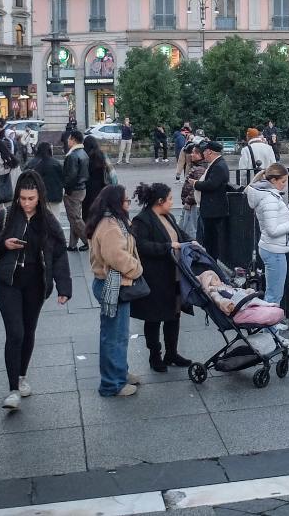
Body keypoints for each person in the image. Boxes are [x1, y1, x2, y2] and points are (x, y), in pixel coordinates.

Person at [0, 171, 72, 410]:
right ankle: (12, 389)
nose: (27, 203)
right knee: (16, 333)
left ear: (40, 197)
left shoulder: (48, 220)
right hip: (9, 282)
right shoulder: (5, 216)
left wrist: (64, 287)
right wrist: (3, 244)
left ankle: (21, 376)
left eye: (31, 198)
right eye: (22, 198)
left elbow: (60, 253)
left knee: (29, 331)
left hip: (36, 282)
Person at [131, 182, 194, 373]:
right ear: (160, 201)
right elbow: (141, 246)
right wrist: (167, 246)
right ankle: (155, 355)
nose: (171, 202)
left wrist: (192, 243)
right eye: (170, 199)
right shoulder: (142, 220)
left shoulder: (168, 216)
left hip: (173, 274)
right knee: (154, 318)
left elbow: (179, 235)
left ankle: (172, 352)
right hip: (155, 277)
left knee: (174, 314)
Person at [87, 184, 143, 398]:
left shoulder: (112, 221)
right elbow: (115, 256)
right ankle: (112, 383)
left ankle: (120, 372)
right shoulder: (110, 225)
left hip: (114, 283)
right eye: (126, 200)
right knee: (114, 336)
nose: (128, 203)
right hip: (112, 284)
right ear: (116, 203)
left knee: (118, 334)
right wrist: (136, 268)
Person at [245, 164, 289, 313]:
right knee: (274, 293)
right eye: (283, 181)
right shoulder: (270, 198)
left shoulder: (266, 195)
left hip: (271, 247)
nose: (284, 185)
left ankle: (272, 325)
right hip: (274, 249)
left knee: (274, 291)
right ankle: (271, 329)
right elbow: (272, 230)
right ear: (273, 180)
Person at [189, 140, 232, 260]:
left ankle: (212, 261)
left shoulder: (219, 165)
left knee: (212, 239)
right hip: (211, 208)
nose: (203, 154)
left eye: (205, 151)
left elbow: (212, 184)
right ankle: (210, 259)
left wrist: (196, 183)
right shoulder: (217, 164)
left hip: (214, 209)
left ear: (210, 152)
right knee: (209, 238)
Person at [62, 130, 90, 251]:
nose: (67, 141)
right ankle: (72, 244)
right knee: (74, 217)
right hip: (81, 188)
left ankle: (88, 241)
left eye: (69, 139)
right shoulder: (83, 152)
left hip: (74, 190)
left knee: (75, 218)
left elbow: (71, 176)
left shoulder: (72, 155)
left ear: (73, 140)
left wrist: (66, 189)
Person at [25, 142, 64, 219]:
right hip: (54, 195)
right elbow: (63, 179)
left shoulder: (31, 163)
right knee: (54, 218)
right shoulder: (56, 163)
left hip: (36, 195)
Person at [179, 142, 206, 239]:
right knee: (187, 227)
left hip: (192, 204)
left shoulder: (199, 169)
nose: (191, 154)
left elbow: (196, 188)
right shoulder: (198, 167)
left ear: (199, 155)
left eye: (194, 153)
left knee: (191, 229)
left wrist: (188, 201)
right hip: (190, 202)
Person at [83, 135, 112, 216]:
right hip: (101, 186)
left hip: (89, 187)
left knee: (87, 210)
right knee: (98, 209)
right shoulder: (101, 155)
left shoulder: (87, 157)